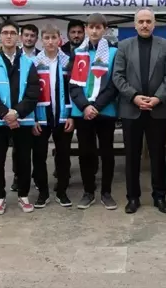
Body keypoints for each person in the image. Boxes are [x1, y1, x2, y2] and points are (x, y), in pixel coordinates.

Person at [112, 8, 166, 214]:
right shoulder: (123, 46)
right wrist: (134, 97)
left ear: (154, 24)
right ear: (135, 24)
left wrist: (157, 98)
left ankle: (160, 196)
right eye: (141, 21)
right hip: (132, 109)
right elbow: (118, 76)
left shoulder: (165, 46)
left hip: (157, 110)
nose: (145, 25)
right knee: (132, 156)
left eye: (148, 21)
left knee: (158, 156)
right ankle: (133, 198)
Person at [0, 20, 39, 215]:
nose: (8, 36)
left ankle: (23, 195)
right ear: (0, 36)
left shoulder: (29, 64)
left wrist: (17, 113)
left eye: (13, 33)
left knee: (23, 159)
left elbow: (33, 93)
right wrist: (5, 113)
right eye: (5, 32)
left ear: (18, 36)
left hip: (23, 119)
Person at [69, 13, 119, 210]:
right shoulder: (77, 52)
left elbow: (115, 84)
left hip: (105, 111)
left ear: (104, 30)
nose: (95, 31)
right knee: (85, 152)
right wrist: (85, 106)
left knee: (107, 152)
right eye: (91, 27)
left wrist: (96, 106)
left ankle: (106, 192)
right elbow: (73, 84)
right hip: (82, 112)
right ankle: (88, 191)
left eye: (99, 27)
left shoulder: (114, 52)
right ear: (86, 29)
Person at [31, 24, 74, 208]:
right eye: (46, 38)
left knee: (63, 156)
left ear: (59, 39)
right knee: (39, 156)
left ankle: (62, 191)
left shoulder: (68, 61)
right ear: (42, 40)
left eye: (53, 38)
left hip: (63, 116)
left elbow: (74, 89)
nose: (50, 41)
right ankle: (43, 192)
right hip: (41, 117)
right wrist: (32, 119)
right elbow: (30, 93)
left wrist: (72, 115)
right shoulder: (34, 62)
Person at [12, 23, 40, 191]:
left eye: (32, 35)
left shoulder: (41, 56)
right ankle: (18, 176)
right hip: (18, 110)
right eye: (27, 35)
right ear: (21, 37)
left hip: (35, 107)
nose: (29, 38)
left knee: (36, 148)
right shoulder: (14, 56)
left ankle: (36, 177)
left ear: (36, 39)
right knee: (18, 149)